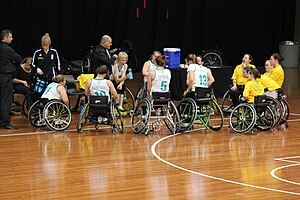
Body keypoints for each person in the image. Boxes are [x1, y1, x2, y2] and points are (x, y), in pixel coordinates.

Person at [0, 29, 22, 130]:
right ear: (6, 37)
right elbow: (19, 59)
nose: (12, 39)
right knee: (6, 100)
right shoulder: (7, 49)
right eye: (11, 37)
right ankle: (5, 123)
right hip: (5, 78)